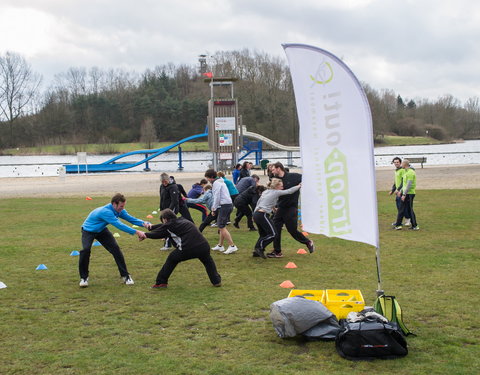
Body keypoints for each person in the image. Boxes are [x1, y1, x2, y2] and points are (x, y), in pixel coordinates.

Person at [78, 193, 148, 287]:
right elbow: (119, 225)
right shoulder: (106, 212)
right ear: (114, 204)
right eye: (121, 206)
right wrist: (137, 232)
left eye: (123, 206)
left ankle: (125, 276)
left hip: (101, 230)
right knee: (85, 250)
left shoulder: (120, 210)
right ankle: (84, 278)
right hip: (88, 230)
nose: (122, 208)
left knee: (116, 249)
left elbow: (131, 219)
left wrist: (145, 223)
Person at [140, 209, 222, 288]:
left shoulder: (169, 225)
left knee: (172, 259)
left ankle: (161, 282)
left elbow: (158, 234)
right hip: (203, 246)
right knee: (208, 261)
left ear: (165, 219)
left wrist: (145, 235)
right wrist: (151, 227)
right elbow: (163, 226)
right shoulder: (182, 220)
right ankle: (216, 281)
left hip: (188, 248)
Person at [270, 162, 314, 258]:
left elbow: (308, 178)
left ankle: (308, 242)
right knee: (275, 229)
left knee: (292, 230)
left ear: (278, 168)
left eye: (273, 169)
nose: (271, 171)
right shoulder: (275, 179)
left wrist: (305, 184)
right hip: (280, 208)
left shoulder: (294, 176)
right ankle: (277, 251)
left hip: (291, 208)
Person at [253, 179, 301, 258]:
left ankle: (256, 252)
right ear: (276, 186)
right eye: (281, 186)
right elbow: (289, 191)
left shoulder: (266, 191)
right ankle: (259, 248)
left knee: (263, 234)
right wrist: (299, 186)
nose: (283, 187)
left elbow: (260, 202)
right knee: (273, 234)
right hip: (262, 215)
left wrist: (274, 210)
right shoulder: (276, 192)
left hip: (257, 214)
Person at [204, 169, 238, 254]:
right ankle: (220, 246)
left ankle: (232, 246)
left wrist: (213, 208)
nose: (207, 180)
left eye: (207, 178)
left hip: (225, 205)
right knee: (221, 225)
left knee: (221, 226)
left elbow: (217, 197)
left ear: (211, 177)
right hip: (227, 205)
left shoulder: (216, 183)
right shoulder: (220, 181)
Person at [393, 160, 419, 230]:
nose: (401, 165)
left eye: (402, 164)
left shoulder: (410, 172)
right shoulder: (406, 172)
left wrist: (404, 194)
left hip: (409, 194)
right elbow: (404, 184)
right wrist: (400, 191)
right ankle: (400, 225)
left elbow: (409, 184)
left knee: (408, 209)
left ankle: (413, 226)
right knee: (403, 209)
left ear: (405, 164)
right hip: (406, 193)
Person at [389, 157, 411, 227]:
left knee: (402, 207)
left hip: (401, 191)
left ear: (400, 163)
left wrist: (398, 190)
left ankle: (407, 220)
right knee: (399, 207)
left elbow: (403, 182)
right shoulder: (396, 171)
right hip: (397, 191)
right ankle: (399, 221)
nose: (396, 163)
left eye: (397, 162)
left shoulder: (402, 170)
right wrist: (392, 190)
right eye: (395, 162)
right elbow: (396, 182)